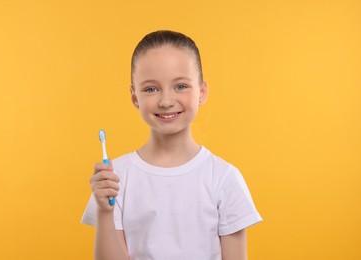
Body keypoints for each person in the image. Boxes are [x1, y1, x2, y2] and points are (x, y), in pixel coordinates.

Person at [81, 30, 262, 260]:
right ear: (135, 97)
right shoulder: (116, 178)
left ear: (202, 92)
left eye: (180, 86)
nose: (166, 101)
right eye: (151, 89)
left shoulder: (224, 178)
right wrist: (105, 212)